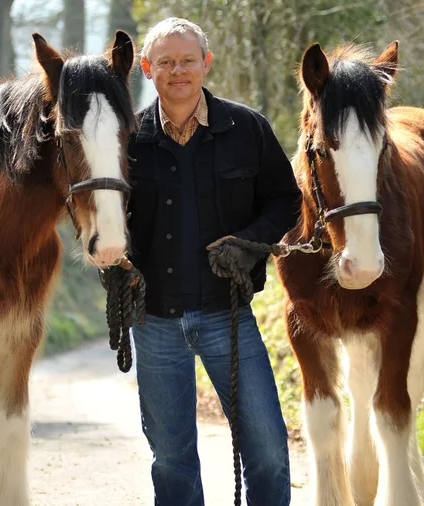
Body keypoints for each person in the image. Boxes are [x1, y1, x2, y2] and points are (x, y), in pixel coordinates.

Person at [125, 17, 301, 506]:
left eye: (187, 60)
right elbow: (97, 213)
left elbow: (285, 200)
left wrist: (250, 243)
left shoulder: (247, 128)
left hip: (229, 315)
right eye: (165, 62)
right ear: (147, 69)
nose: (177, 71)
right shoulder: (126, 140)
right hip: (154, 321)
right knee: (172, 460)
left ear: (206, 63)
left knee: (268, 450)